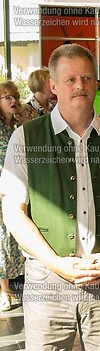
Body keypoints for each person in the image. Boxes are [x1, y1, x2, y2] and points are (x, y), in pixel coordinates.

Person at [0, 44, 100, 351]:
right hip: (47, 281)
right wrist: (56, 264)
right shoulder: (25, 138)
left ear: (97, 83)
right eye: (70, 79)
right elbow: (14, 212)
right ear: (53, 86)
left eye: (86, 77)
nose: (79, 85)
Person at [0, 81, 25, 311]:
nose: (13, 100)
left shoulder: (16, 126)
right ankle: (4, 290)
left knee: (11, 236)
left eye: (15, 96)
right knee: (2, 240)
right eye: (7, 97)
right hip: (2, 188)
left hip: (15, 187)